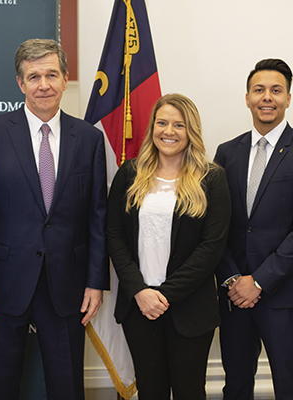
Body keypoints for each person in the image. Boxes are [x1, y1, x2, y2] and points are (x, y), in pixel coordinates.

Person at [0, 38, 109, 400]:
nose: (43, 85)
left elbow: (97, 215)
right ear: (20, 83)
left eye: (51, 75)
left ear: (65, 79)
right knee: (0, 383)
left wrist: (96, 281)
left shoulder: (90, 139)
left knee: (67, 386)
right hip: (1, 285)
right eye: (33, 77)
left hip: (67, 286)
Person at [107, 93, 231, 400]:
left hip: (190, 309)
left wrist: (164, 294)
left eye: (179, 125)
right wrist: (139, 290)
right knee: (151, 391)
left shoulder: (211, 178)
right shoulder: (130, 174)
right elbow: (114, 236)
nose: (169, 131)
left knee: (189, 391)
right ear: (152, 128)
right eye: (162, 123)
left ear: (191, 131)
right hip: (139, 307)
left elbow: (211, 247)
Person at [215, 59, 293, 400]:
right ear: (247, 97)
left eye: (276, 90)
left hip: (283, 296)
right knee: (236, 387)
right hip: (234, 299)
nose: (267, 97)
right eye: (259, 90)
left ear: (288, 98)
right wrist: (233, 280)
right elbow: (215, 226)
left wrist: (259, 281)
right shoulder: (226, 152)